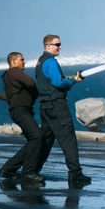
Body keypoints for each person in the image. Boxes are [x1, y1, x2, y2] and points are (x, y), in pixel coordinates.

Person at [36, 34, 91, 184]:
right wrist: (74, 81)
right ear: (48, 46)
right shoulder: (51, 62)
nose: (60, 47)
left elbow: (52, 80)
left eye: (60, 44)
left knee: (45, 142)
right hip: (57, 107)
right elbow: (58, 82)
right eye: (57, 44)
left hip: (45, 107)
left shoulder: (41, 62)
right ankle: (75, 174)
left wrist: (73, 77)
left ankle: (31, 171)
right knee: (68, 139)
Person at [0, 52, 45, 182]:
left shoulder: (9, 76)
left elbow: (9, 97)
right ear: (13, 62)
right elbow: (30, 83)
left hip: (20, 110)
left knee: (33, 140)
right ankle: (28, 172)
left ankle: (8, 169)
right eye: (21, 59)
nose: (24, 62)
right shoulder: (14, 71)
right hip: (20, 111)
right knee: (37, 136)